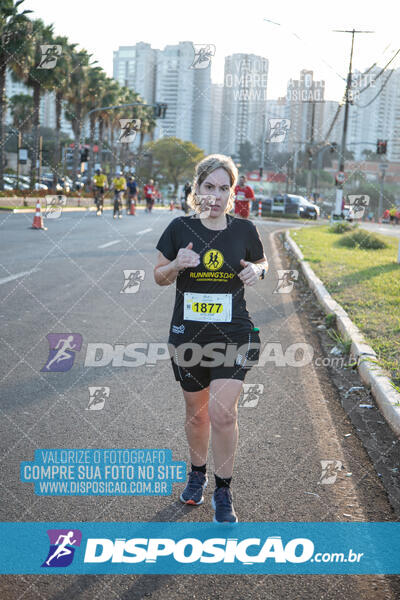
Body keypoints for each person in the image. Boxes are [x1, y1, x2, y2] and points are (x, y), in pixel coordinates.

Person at [154, 154, 268, 524]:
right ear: (197, 189)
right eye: (208, 187)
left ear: (232, 192)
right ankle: (197, 473)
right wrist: (175, 265)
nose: (215, 196)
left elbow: (261, 263)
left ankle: (223, 488)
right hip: (188, 338)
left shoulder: (244, 231)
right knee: (197, 415)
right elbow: (158, 275)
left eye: (223, 188)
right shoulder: (178, 228)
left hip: (234, 335)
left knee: (222, 413)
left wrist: (257, 270)